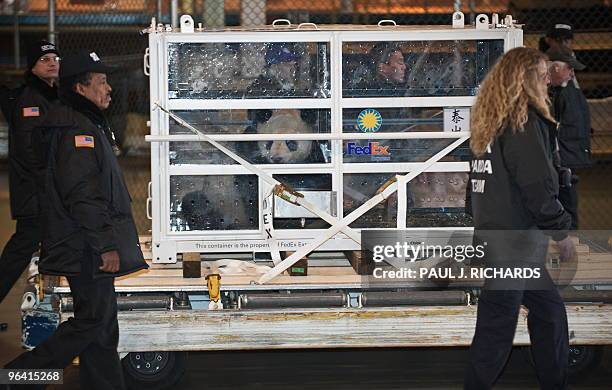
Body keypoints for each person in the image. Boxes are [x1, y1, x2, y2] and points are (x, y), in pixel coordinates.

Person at [4, 51, 148, 389]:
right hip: (85, 245)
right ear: (80, 88)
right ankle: (17, 376)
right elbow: (82, 194)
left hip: (85, 242)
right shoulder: (76, 130)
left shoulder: (85, 122)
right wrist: (106, 245)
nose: (109, 89)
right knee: (93, 322)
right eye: (101, 82)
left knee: (100, 327)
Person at [464, 47, 576, 389]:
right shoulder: (523, 122)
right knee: (497, 329)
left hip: (501, 240)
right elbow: (538, 186)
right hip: (515, 244)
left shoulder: (490, 121)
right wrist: (561, 232)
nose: (547, 83)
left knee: (549, 314)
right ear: (526, 80)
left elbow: (475, 191)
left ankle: (555, 383)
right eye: (542, 76)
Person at [0, 40, 59, 304]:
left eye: (55, 58)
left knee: (43, 245)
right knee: (21, 249)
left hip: (45, 191)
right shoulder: (30, 100)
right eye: (44, 60)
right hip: (35, 193)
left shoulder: (52, 95)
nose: (52, 63)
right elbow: (30, 151)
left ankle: (51, 302)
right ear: (32, 68)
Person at [547, 46, 591, 229]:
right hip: (564, 158)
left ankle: (568, 242)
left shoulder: (564, 91)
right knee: (564, 204)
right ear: (556, 67)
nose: (572, 73)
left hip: (565, 158)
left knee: (566, 203)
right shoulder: (560, 92)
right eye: (569, 68)